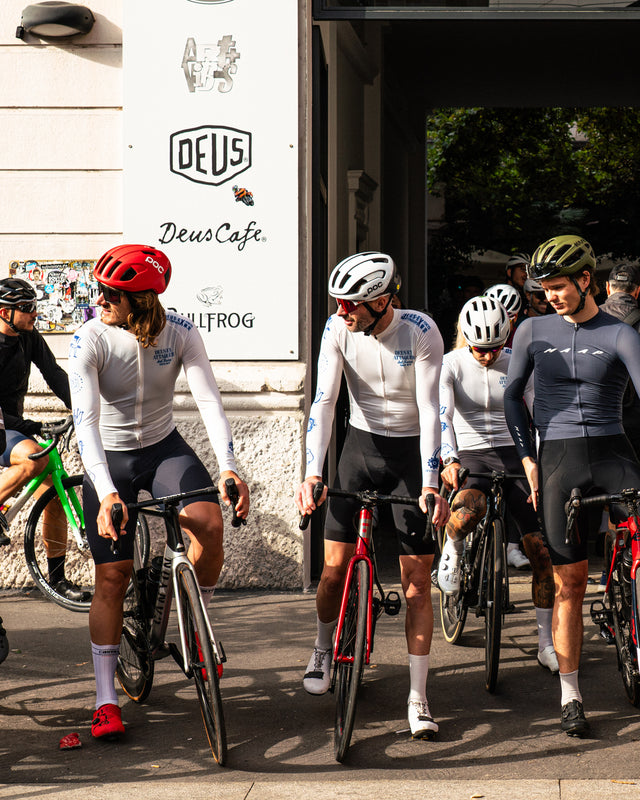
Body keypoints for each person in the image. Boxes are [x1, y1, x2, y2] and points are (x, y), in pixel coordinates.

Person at [68, 244, 249, 740]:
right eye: (100, 290)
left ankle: (197, 625)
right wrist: (107, 492)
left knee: (210, 526)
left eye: (111, 293)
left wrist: (229, 469)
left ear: (142, 300)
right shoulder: (89, 338)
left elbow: (209, 402)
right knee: (112, 576)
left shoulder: (182, 333)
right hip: (111, 455)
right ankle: (105, 699)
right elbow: (86, 424)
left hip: (164, 447)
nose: (99, 299)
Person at [294, 251, 450, 740]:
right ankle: (323, 647)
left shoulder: (421, 331)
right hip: (359, 451)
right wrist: (311, 473)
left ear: (381, 302)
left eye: (351, 304)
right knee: (332, 571)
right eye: (338, 303)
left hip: (409, 458)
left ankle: (418, 696)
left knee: (417, 585)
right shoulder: (336, 329)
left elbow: (430, 409)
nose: (341, 311)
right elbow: (325, 401)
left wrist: (430, 482)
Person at [504, 234, 640, 738]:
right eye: (545, 288)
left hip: (613, 454)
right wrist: (528, 460)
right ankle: (571, 695)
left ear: (586, 279)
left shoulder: (621, 333)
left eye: (559, 286)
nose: (551, 296)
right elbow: (512, 398)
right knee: (571, 584)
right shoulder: (531, 330)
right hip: (559, 461)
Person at [438, 295, 558, 672]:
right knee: (469, 511)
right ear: (466, 340)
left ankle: (545, 642)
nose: (487, 356)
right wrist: (449, 459)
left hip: (514, 453)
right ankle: (454, 550)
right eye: (479, 348)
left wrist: (539, 461)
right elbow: (443, 416)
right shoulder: (452, 364)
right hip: (471, 452)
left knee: (541, 552)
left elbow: (536, 413)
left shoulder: (517, 362)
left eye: (495, 348)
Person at [0, 278, 85, 601]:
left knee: (54, 496)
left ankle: (57, 580)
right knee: (34, 457)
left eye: (34, 306)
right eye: (26, 308)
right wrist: (34, 425)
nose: (34, 313)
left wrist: (83, 409)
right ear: (4, 312)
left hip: (12, 427)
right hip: (4, 427)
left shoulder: (28, 337)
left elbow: (55, 375)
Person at [600, 263, 640, 458]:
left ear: (608, 287)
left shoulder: (586, 321)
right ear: (637, 291)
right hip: (635, 420)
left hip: (597, 419)